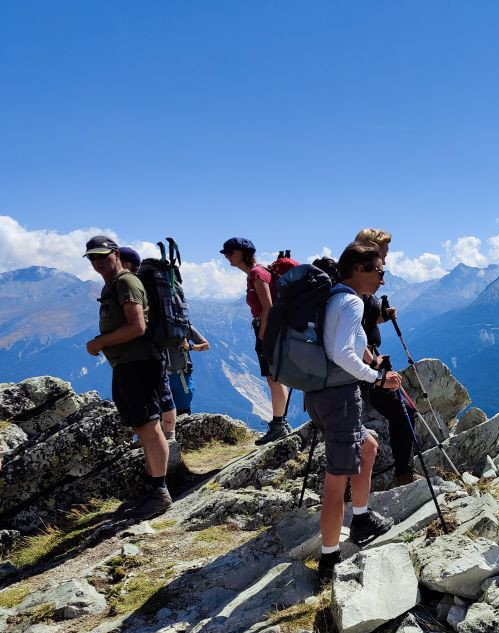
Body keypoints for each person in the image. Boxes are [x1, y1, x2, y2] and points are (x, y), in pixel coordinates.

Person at [306, 242, 401, 585]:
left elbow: (347, 347)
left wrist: (373, 363)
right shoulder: (348, 301)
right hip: (340, 397)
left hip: (322, 395)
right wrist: (377, 377)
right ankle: (329, 560)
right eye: (379, 272)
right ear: (359, 269)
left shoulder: (335, 298)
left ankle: (360, 518)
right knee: (335, 483)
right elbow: (342, 352)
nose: (382, 280)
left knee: (369, 445)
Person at [83, 235, 171, 518]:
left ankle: (160, 491)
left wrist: (100, 343)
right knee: (141, 425)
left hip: (140, 363)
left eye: (102, 256)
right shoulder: (113, 284)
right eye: (92, 258)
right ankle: (153, 487)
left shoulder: (126, 282)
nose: (97, 262)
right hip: (127, 364)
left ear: (116, 253)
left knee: (148, 425)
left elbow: (137, 327)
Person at [352, 228, 416, 487]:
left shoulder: (358, 284)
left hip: (366, 359)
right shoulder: (355, 288)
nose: (385, 261)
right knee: (405, 411)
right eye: (383, 254)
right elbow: (354, 331)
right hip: (366, 362)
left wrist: (383, 316)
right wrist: (374, 366)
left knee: (403, 410)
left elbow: (367, 321)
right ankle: (404, 474)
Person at [221, 237, 290, 444]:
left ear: (244, 254)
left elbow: (268, 307)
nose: (227, 257)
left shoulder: (256, 273)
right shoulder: (259, 272)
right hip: (272, 328)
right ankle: (281, 422)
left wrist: (263, 336)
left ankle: (278, 425)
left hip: (267, 328)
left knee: (273, 377)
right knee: (275, 376)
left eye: (230, 252)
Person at [119, 246, 179, 439]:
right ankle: (168, 436)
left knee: (151, 394)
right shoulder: (150, 283)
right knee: (162, 390)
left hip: (145, 347)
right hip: (156, 344)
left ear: (127, 263)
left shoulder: (136, 284)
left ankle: (162, 440)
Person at [167, 325, 210, 416]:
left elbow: (206, 345)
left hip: (179, 378)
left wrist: (190, 346)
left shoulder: (184, 326)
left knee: (174, 413)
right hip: (178, 379)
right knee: (179, 413)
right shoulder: (183, 326)